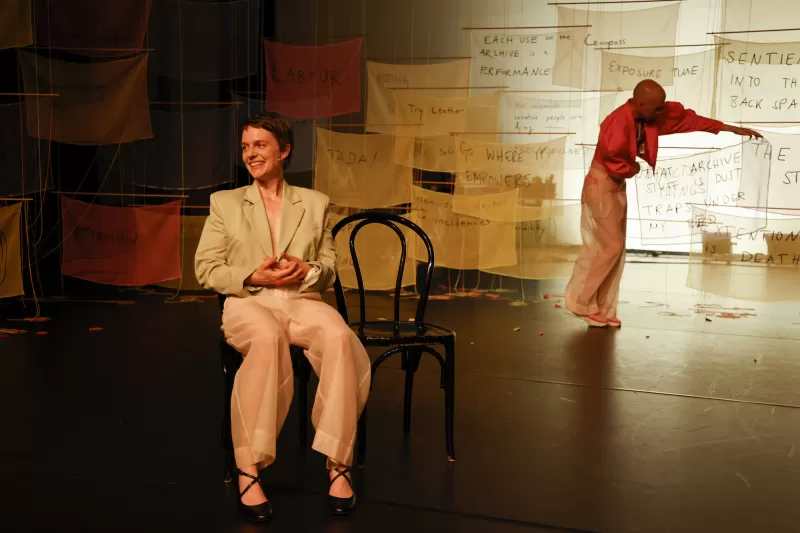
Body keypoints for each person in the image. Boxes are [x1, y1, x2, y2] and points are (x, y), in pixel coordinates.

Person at [195, 114, 371, 521]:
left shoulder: (314, 202)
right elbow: (206, 269)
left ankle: (338, 463)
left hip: (300, 299)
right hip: (249, 301)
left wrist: (306, 270)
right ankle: (248, 468)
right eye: (245, 147)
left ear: (284, 151)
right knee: (268, 336)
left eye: (260, 145)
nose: (250, 154)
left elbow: (328, 268)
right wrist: (252, 275)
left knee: (340, 337)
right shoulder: (225, 203)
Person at [564, 79, 762, 328]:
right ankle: (581, 303)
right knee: (610, 246)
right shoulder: (616, 123)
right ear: (641, 103)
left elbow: (686, 121)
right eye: (657, 107)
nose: (661, 112)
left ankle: (601, 306)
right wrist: (635, 167)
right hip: (601, 184)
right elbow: (616, 161)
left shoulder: (647, 116)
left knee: (615, 247)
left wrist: (729, 128)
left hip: (615, 185)